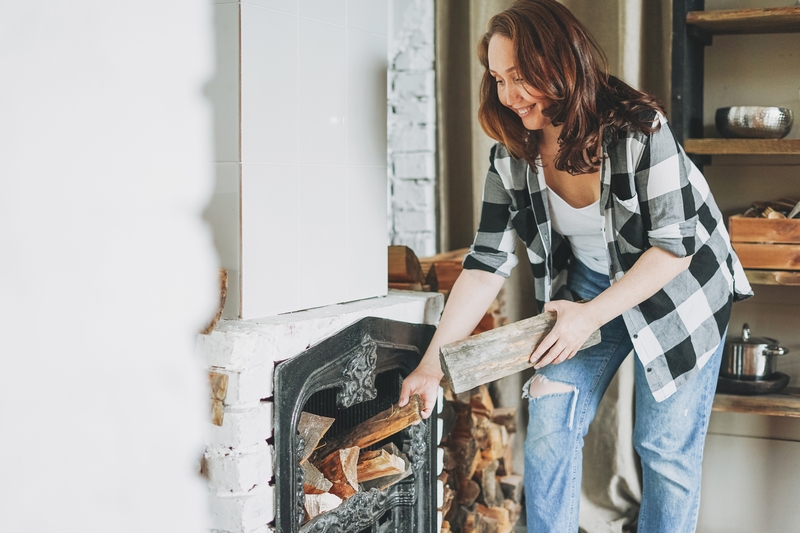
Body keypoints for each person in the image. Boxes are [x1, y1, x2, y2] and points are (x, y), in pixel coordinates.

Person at [398, 1, 753, 531]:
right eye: (498, 79)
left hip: (681, 287)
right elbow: (486, 261)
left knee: (664, 450)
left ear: (562, 65)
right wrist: (429, 366)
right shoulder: (510, 156)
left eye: (521, 77)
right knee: (548, 425)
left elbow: (675, 247)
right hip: (588, 286)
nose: (509, 96)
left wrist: (589, 317)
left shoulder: (638, 130)